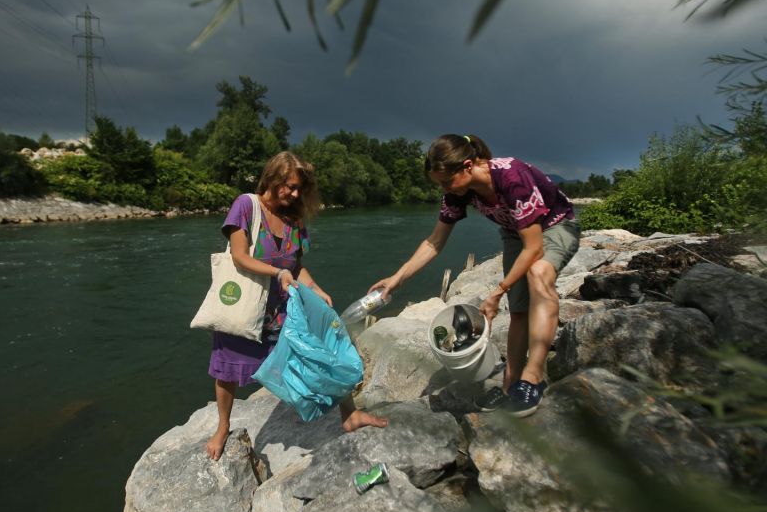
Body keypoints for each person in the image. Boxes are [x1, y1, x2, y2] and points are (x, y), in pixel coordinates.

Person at [370, 134, 579, 417]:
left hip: (554, 227)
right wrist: (397, 278)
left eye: (446, 182)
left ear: (467, 166)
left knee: (539, 274)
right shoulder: (458, 192)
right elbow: (434, 242)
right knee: (518, 311)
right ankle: (509, 387)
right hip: (515, 232)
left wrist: (497, 291)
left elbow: (534, 247)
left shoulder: (511, 176)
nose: (444, 189)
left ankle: (533, 379)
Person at [206, 151, 387, 460]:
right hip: (246, 308)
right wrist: (279, 273)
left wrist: (316, 289)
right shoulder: (246, 206)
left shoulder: (294, 218)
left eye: (299, 188)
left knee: (323, 351)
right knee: (227, 369)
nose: (294, 193)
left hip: (283, 311)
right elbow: (240, 257)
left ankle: (349, 415)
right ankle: (222, 427)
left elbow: (296, 265)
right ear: (272, 178)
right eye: (289, 186)